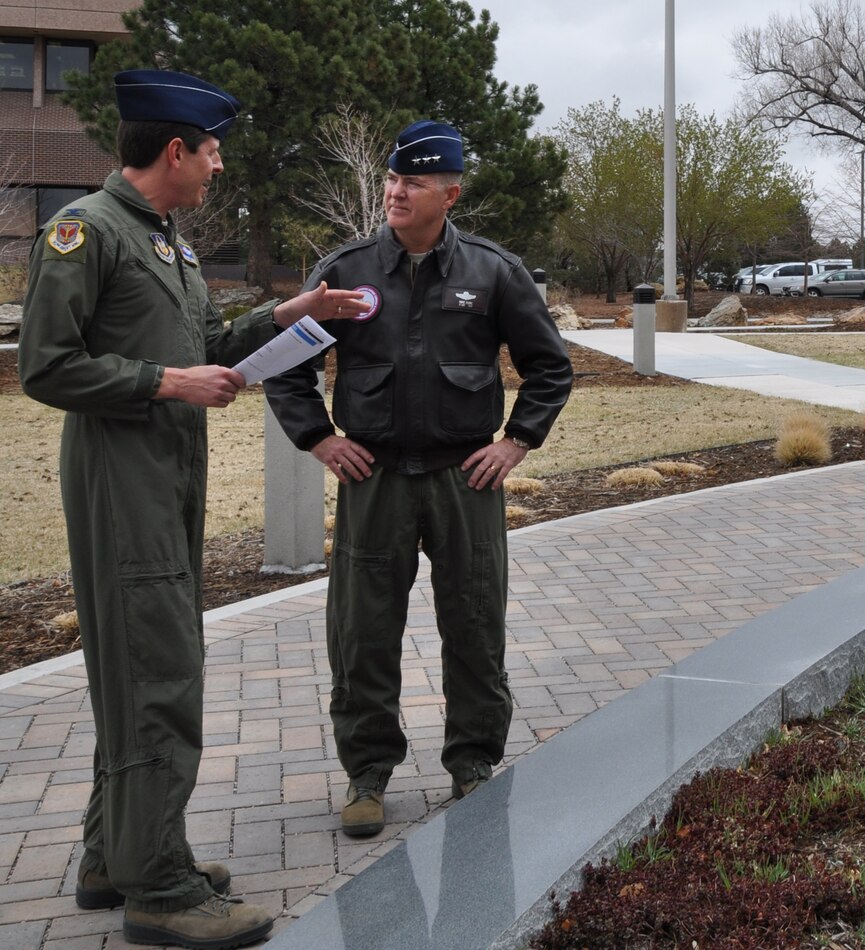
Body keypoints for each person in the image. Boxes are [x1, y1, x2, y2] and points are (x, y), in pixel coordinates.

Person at [18, 69, 369, 948]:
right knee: (159, 674)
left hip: (167, 476)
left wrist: (297, 312)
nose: (217, 168)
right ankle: (160, 888)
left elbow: (206, 345)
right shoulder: (84, 233)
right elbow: (45, 367)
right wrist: (166, 382)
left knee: (141, 671)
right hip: (121, 479)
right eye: (211, 153)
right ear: (174, 150)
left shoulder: (162, 240)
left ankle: (116, 855)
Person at [265, 120, 572, 840]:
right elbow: (287, 363)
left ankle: (472, 765)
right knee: (363, 633)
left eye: (413, 183)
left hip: (464, 480)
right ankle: (367, 774)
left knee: (473, 626)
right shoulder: (343, 270)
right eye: (393, 181)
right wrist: (319, 438)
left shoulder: (494, 272)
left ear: (450, 194)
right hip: (373, 480)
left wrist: (516, 444)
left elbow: (550, 368)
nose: (396, 193)